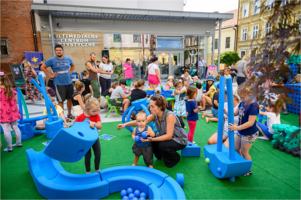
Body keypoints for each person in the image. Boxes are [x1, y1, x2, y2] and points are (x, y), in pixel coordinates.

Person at [117, 96, 188, 168]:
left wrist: (152, 139)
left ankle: (175, 158)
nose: (150, 109)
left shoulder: (169, 116)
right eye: (150, 106)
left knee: (161, 144)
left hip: (179, 139)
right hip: (166, 136)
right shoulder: (155, 115)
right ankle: (160, 156)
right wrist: (125, 124)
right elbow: (141, 121)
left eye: (152, 106)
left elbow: (168, 136)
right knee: (153, 139)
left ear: (160, 107)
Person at [227, 85, 259, 176]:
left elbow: (250, 123)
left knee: (245, 152)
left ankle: (248, 169)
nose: (241, 99)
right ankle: (243, 164)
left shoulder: (253, 107)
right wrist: (226, 112)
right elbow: (236, 112)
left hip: (249, 133)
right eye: (240, 97)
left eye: (243, 97)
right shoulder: (242, 103)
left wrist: (237, 128)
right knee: (236, 148)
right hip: (241, 131)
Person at [41, 44, 76, 120]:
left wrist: (71, 71)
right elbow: (42, 67)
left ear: (63, 51)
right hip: (59, 84)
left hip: (69, 83)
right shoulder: (51, 60)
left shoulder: (68, 59)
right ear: (55, 52)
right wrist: (50, 75)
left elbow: (73, 65)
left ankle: (69, 114)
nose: (59, 52)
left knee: (70, 99)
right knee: (61, 101)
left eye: (60, 50)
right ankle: (62, 117)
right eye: (57, 50)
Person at [74, 96, 102, 174]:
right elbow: (74, 126)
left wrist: (95, 124)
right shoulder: (80, 117)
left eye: (97, 110)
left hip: (95, 138)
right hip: (85, 140)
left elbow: (100, 126)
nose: (96, 112)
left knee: (98, 154)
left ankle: (97, 169)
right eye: (93, 111)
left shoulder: (96, 116)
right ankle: (88, 171)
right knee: (87, 156)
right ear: (86, 109)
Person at [0, 72, 22, 152]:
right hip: (13, 111)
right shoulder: (11, 88)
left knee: (6, 130)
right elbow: (16, 100)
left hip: (3, 113)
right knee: (15, 126)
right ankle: (18, 143)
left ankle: (9, 147)